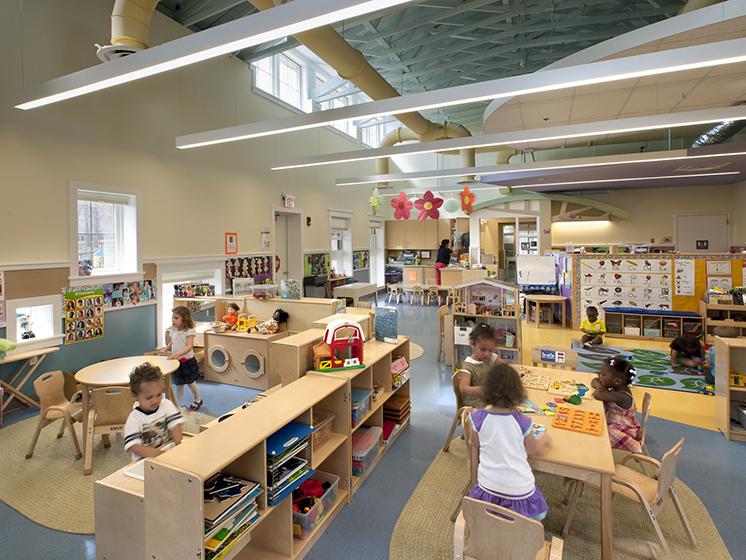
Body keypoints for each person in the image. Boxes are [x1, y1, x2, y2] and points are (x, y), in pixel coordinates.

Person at [466, 363, 551, 521]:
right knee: (540, 514)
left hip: (486, 488)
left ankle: (497, 526)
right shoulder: (523, 421)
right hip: (520, 492)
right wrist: (545, 440)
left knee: (491, 517)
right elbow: (534, 451)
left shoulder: (478, 417)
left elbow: (474, 442)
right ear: (518, 393)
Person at [124, 363, 184, 460]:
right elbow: (134, 446)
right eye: (149, 397)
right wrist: (160, 455)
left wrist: (177, 447)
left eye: (159, 394)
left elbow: (175, 427)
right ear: (135, 396)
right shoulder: (134, 418)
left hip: (168, 454)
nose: (155, 400)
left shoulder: (167, 405)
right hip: (146, 460)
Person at [591, 356, 642, 452]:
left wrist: (598, 385)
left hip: (623, 430)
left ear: (617, 381)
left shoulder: (622, 396)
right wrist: (600, 384)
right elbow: (600, 388)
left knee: (602, 434)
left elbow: (598, 394)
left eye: (603, 374)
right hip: (617, 424)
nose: (599, 376)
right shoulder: (617, 389)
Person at [166, 305, 203, 411]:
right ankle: (180, 404)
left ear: (184, 319)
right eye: (173, 317)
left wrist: (177, 354)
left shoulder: (189, 331)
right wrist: (166, 348)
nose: (173, 320)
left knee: (191, 383)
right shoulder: (173, 329)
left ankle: (198, 400)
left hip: (187, 361)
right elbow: (173, 341)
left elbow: (189, 346)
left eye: (176, 318)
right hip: (176, 362)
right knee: (179, 384)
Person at [457, 323, 502, 409]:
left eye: (490, 350)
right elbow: (463, 388)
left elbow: (505, 368)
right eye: (483, 349)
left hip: (488, 400)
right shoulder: (468, 366)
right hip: (475, 406)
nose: (487, 354)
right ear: (472, 344)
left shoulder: (491, 357)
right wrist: (479, 389)